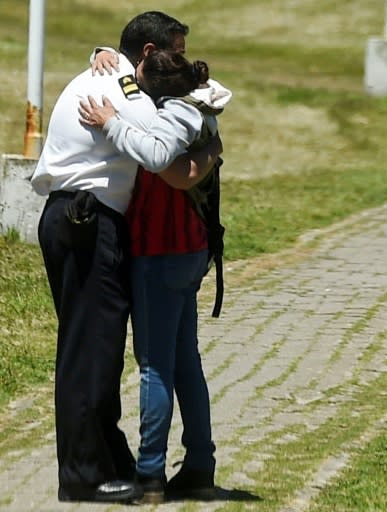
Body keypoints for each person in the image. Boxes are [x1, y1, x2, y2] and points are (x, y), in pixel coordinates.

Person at [31, 11, 221, 504]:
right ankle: (85, 476)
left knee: (100, 349)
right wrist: (210, 140)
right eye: (176, 53)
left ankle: (109, 461)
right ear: (149, 55)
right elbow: (165, 148)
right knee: (89, 351)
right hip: (85, 220)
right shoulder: (122, 96)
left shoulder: (116, 77)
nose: (184, 63)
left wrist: (99, 50)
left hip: (85, 219)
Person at [79, 49, 232, 503]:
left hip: (161, 250)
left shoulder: (173, 116)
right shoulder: (196, 105)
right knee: (186, 362)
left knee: (155, 369)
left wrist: (110, 122)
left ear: (154, 84)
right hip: (189, 249)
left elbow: (158, 157)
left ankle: (149, 475)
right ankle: (201, 465)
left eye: (138, 73)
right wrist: (102, 53)